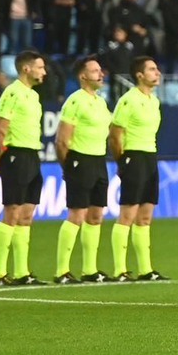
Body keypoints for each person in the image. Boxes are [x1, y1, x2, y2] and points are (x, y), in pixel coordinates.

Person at [53, 56, 113, 285]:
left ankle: (90, 270)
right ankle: (62, 271)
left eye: (100, 70)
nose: (101, 73)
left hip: (99, 160)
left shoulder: (100, 102)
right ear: (83, 76)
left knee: (96, 216)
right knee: (76, 215)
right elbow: (61, 140)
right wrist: (68, 166)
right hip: (80, 159)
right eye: (95, 70)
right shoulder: (74, 101)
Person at [0, 50, 47, 286]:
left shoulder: (33, 96)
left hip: (32, 154)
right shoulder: (12, 92)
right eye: (40, 67)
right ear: (26, 68)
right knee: (11, 212)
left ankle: (22, 272)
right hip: (16, 155)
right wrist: (0, 159)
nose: (44, 72)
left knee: (26, 215)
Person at [109, 57, 166, 283]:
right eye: (152, 69)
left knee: (145, 215)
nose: (157, 73)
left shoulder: (154, 101)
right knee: (127, 214)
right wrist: (122, 161)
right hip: (133, 156)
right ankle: (119, 270)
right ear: (139, 75)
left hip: (150, 156)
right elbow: (115, 135)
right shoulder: (128, 100)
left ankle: (145, 269)